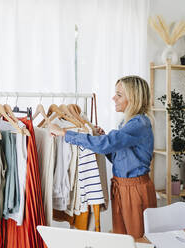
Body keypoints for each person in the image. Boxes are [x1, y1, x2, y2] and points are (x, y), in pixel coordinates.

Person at [50, 75, 156, 238]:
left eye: (119, 95)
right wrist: (104, 140)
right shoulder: (127, 123)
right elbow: (117, 157)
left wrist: (65, 133)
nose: (114, 98)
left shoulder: (139, 123)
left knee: (139, 240)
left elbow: (106, 143)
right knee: (122, 239)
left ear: (133, 98)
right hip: (121, 187)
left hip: (135, 189)